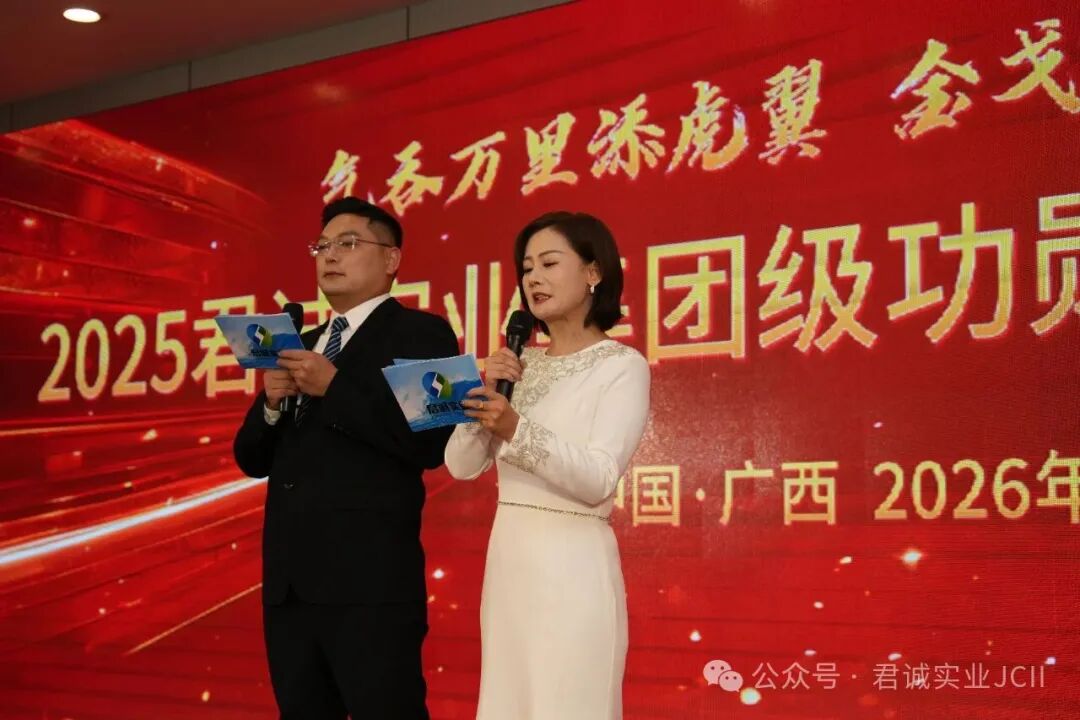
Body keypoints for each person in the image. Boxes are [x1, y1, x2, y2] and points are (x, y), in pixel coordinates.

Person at [233, 197, 458, 719]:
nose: (330, 256)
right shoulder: (304, 343)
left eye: (349, 243)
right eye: (322, 246)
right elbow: (251, 458)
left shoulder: (424, 332)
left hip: (370, 586)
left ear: (391, 259)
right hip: (290, 588)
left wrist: (334, 388)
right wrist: (270, 404)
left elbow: (431, 445)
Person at [444, 211, 651, 719]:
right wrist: (486, 396)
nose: (533, 278)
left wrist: (515, 427)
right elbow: (460, 465)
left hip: (573, 568)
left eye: (549, 263)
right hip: (509, 567)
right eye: (526, 268)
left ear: (593, 272)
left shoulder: (621, 366)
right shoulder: (518, 366)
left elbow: (598, 478)